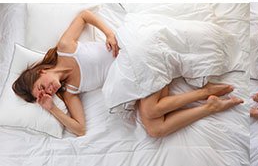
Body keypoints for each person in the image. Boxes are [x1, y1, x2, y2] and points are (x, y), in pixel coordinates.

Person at [12, 9, 243, 138]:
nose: (49, 91)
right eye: (45, 94)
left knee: (151, 112)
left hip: (132, 52)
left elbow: (84, 15)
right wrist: (51, 108)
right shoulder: (70, 92)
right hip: (134, 77)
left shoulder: (65, 48)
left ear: (41, 71)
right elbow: (80, 129)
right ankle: (208, 105)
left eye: (42, 86)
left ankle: (205, 94)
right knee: (154, 129)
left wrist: (109, 33)